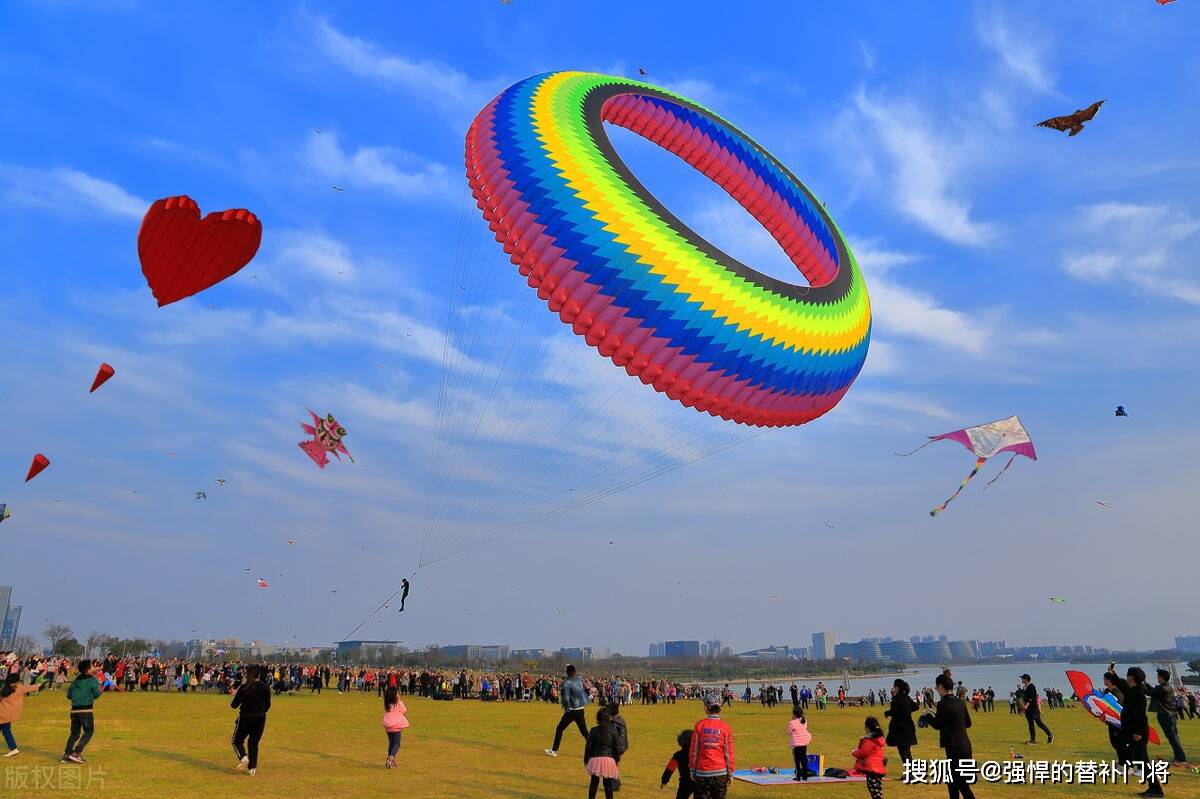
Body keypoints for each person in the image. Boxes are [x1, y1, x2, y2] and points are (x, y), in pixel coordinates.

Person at [1106, 665, 1163, 797]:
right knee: (1140, 761)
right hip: (1131, 732)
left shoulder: (1138, 694)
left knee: (1143, 761)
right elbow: (1122, 685)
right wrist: (1113, 674)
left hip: (1138, 733)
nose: (1126, 677)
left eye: (1127, 675)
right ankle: (1153, 788)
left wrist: (1138, 733)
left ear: (1131, 677)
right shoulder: (1132, 690)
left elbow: (1140, 715)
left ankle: (1156, 790)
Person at [923, 673, 975, 799]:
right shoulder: (960, 702)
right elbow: (968, 723)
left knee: (956, 783)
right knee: (958, 783)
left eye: (936, 687)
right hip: (965, 745)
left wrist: (927, 715)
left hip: (954, 748)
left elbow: (937, 725)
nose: (936, 689)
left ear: (941, 687)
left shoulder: (942, 704)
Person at [690, 690, 735, 799]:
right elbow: (729, 754)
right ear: (721, 708)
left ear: (706, 707)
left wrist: (692, 770)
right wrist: (730, 773)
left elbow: (693, 752)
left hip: (702, 773)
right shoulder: (726, 728)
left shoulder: (699, 726)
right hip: (720, 773)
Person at [231, 664, 272, 776]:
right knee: (253, 743)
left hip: (245, 718)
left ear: (247, 674)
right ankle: (252, 768)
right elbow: (268, 705)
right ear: (258, 675)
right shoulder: (265, 687)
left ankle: (243, 757)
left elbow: (234, 705)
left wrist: (235, 694)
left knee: (236, 741)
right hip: (260, 718)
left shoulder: (243, 687)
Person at [61, 659, 101, 764]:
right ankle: (76, 753)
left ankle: (67, 754)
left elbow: (68, 696)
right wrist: (101, 689)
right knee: (89, 731)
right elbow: (96, 695)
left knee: (74, 733)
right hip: (86, 710)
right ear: (88, 670)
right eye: (92, 666)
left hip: (74, 711)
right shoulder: (92, 680)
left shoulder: (75, 682)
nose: (94, 667)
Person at [546, 664, 589, 757]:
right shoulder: (579, 680)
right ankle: (594, 750)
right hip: (581, 709)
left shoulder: (567, 683)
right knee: (584, 731)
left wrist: (566, 708)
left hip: (572, 710)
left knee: (559, 728)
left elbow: (565, 698)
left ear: (567, 673)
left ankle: (554, 750)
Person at [1, 671, 46, 757]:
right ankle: (13, 748)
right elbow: (32, 687)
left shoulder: (4, 688)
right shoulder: (19, 688)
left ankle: (13, 748)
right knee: (6, 731)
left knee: (6, 732)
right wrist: (40, 684)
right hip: (9, 714)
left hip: (2, 713)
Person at [1150, 669, 1187, 765]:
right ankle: (1179, 756)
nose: (1157, 677)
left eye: (1158, 676)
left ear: (1161, 677)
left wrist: (1141, 684)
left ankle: (1180, 758)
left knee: (1172, 737)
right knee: (1173, 736)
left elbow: (1149, 692)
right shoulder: (1167, 687)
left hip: (1166, 716)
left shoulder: (1162, 688)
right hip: (1171, 715)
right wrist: (1144, 682)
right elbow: (1153, 691)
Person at [583, 707, 619, 799]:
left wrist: (586, 760)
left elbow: (588, 747)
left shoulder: (594, 730)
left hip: (595, 758)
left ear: (598, 718)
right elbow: (616, 747)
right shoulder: (613, 730)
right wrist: (616, 760)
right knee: (608, 785)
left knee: (594, 783)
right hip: (609, 758)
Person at [885, 678, 919, 765]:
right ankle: (910, 772)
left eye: (894, 686)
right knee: (907, 751)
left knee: (902, 752)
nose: (893, 688)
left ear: (897, 688)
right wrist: (906, 710)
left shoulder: (896, 699)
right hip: (908, 727)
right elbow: (916, 707)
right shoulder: (906, 698)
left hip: (899, 729)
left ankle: (909, 772)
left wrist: (886, 713)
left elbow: (894, 711)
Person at [851, 716, 887, 799]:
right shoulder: (879, 738)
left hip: (872, 769)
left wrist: (854, 752)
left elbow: (863, 752)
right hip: (878, 768)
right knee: (877, 790)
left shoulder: (869, 740)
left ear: (867, 728)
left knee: (874, 792)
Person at [661, 729, 695, 799]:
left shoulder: (678, 755)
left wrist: (664, 781)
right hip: (699, 780)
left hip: (685, 782)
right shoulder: (698, 754)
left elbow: (670, 769)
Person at [1020, 674, 1052, 744]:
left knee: (1039, 723)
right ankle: (1033, 740)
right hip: (1028, 709)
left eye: (1022, 678)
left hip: (1033, 709)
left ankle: (1050, 735)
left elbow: (1032, 697)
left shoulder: (1031, 686)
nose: (1021, 680)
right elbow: (1023, 697)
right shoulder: (1024, 687)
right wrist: (1023, 708)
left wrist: (1027, 705)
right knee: (1030, 724)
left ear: (1026, 679)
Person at [381, 685, 409, 769]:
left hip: (388, 725)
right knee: (396, 744)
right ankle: (391, 757)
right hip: (395, 726)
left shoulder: (387, 703)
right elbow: (404, 710)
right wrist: (399, 700)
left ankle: (390, 760)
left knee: (391, 743)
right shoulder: (399, 703)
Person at [787, 703, 814, 780]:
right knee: (803, 760)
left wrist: (792, 720)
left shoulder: (792, 723)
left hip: (796, 744)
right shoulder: (804, 720)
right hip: (804, 743)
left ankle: (798, 776)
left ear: (794, 714)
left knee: (797, 761)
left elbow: (788, 732)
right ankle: (805, 776)